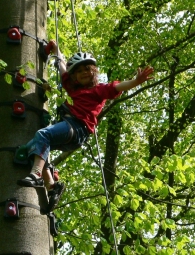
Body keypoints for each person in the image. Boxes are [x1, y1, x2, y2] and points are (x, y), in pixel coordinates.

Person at [17, 41, 154, 213]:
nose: (84, 73)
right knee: (36, 148)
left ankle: (36, 174)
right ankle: (52, 186)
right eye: (79, 71)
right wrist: (56, 49)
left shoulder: (98, 90)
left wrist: (136, 81)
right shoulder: (71, 87)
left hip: (77, 128)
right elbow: (61, 65)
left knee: (43, 135)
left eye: (87, 70)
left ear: (94, 72)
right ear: (74, 76)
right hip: (69, 131)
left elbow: (117, 87)